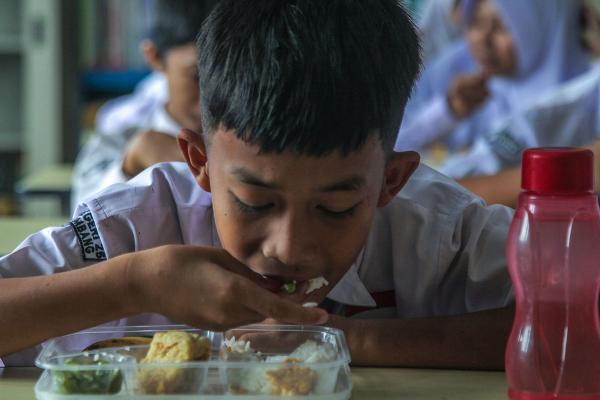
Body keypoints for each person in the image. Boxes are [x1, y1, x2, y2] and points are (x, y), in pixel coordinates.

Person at [0, 0, 514, 369]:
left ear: (390, 181)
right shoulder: (142, 225)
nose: (289, 248)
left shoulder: (438, 228)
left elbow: (581, 327)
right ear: (198, 162)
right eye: (254, 202)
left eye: (335, 208)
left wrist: (345, 339)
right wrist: (136, 283)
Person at [71, 0, 219, 208]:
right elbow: (80, 221)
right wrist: (130, 165)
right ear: (155, 57)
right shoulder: (119, 137)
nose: (214, 92)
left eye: (225, 75)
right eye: (196, 76)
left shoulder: (255, 135)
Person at [395, 0, 589, 153]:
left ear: (541, 27)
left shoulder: (583, 99)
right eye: (475, 23)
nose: (483, 40)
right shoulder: (456, 68)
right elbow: (391, 146)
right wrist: (448, 111)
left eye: (502, 27)